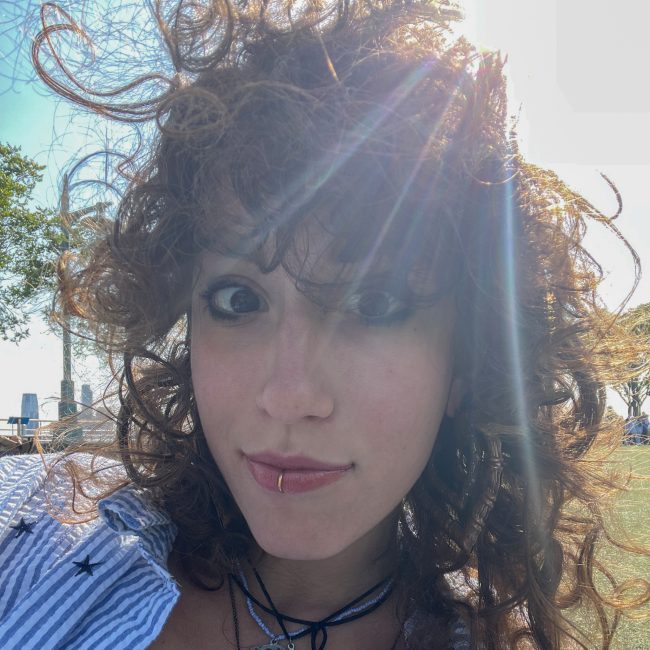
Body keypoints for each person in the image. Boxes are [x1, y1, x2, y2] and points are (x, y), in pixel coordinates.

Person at [0, 1, 648, 648]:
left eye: (376, 304)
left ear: (465, 361)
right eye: (238, 301)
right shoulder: (29, 522)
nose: (290, 396)